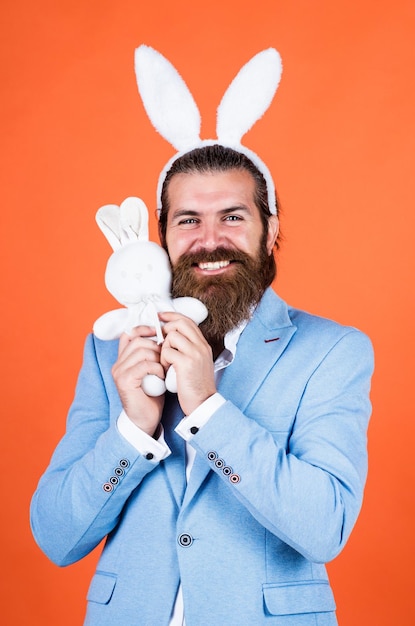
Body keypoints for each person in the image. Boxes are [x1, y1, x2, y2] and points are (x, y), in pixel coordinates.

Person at [31, 144, 374, 626]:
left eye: (232, 217)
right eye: (188, 220)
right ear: (162, 236)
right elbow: (56, 536)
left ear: (270, 230)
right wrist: (133, 432)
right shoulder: (111, 349)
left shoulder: (332, 350)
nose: (209, 240)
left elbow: (324, 528)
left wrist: (207, 409)